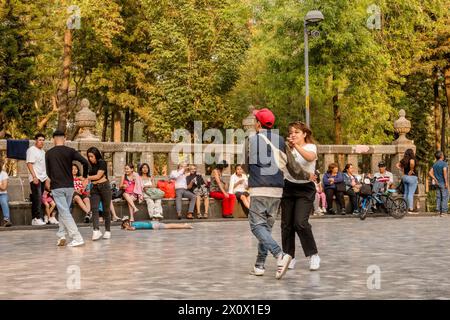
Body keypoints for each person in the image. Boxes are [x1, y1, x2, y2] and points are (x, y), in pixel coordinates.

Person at [243, 107, 292, 280]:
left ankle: (279, 255)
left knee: (257, 226)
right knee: (266, 229)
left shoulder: (251, 139)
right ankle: (259, 265)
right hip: (278, 189)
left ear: (258, 124)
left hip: (259, 187)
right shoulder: (280, 140)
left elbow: (246, 165)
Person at [281, 121, 320, 271]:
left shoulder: (310, 147)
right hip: (288, 187)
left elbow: (310, 158)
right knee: (286, 225)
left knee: (300, 223)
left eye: (296, 132)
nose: (293, 135)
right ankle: (289, 256)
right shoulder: (286, 148)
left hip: (305, 188)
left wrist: (295, 146)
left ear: (304, 134)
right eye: (291, 132)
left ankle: (313, 255)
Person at [45, 130, 89, 247]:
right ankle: (61, 235)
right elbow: (85, 162)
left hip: (57, 186)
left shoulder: (49, 153)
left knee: (64, 212)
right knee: (64, 211)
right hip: (70, 187)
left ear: (53, 139)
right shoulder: (70, 151)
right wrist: (84, 177)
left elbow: (48, 172)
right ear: (65, 138)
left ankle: (77, 237)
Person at [87, 147, 113, 240]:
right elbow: (93, 178)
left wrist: (87, 178)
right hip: (94, 188)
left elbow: (98, 175)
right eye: (89, 156)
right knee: (94, 209)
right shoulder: (90, 165)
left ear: (96, 155)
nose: (90, 158)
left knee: (106, 210)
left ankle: (107, 230)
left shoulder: (102, 162)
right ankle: (96, 230)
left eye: (92, 156)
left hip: (104, 187)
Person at [26, 133, 48, 226]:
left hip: (42, 178)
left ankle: (36, 219)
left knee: (39, 198)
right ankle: (36, 218)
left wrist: (46, 178)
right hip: (36, 178)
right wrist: (34, 177)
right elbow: (29, 164)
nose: (41, 142)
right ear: (36, 140)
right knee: (37, 198)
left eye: (43, 140)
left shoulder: (43, 152)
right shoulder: (31, 150)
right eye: (40, 140)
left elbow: (43, 167)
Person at [396, 148, 418, 214]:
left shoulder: (404, 160)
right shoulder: (412, 158)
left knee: (406, 193)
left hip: (405, 177)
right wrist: (411, 170)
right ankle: (410, 208)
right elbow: (412, 162)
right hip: (412, 177)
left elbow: (397, 165)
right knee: (410, 193)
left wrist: (402, 169)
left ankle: (404, 207)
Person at [121, 218, 193, 231]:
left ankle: (185, 226)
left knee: (170, 226)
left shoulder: (133, 225)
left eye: (126, 224)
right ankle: (184, 225)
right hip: (152, 224)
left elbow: (132, 229)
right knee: (170, 225)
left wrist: (127, 228)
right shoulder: (134, 223)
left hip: (153, 225)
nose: (126, 225)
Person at [0, 158, 12, 227]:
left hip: (2, 194)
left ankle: (7, 220)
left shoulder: (3, 174)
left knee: (3, 202)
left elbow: (4, 188)